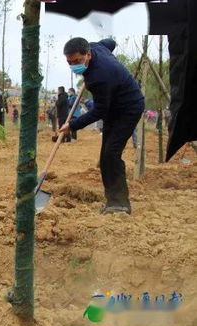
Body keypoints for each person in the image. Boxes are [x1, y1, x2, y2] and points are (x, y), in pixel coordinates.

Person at [59, 37, 144, 215]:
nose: (74, 65)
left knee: (111, 154)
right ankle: (113, 200)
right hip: (114, 108)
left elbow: (99, 111)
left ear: (88, 54)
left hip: (128, 108)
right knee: (105, 156)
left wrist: (72, 125)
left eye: (77, 61)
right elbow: (111, 43)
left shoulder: (99, 77)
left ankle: (120, 203)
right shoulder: (97, 46)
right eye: (70, 62)